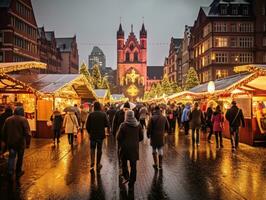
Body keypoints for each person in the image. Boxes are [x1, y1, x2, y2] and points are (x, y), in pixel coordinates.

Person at [117, 110, 143, 191]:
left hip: (124, 148)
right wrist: (135, 141)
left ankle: (126, 177)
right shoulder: (138, 125)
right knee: (133, 166)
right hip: (134, 148)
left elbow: (118, 137)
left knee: (124, 163)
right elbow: (141, 137)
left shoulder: (123, 125)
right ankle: (131, 183)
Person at [2, 106, 31, 178]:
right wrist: (28, 143)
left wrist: (5, 141)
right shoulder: (23, 119)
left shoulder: (8, 119)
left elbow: (4, 132)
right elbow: (28, 133)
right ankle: (18, 171)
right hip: (20, 142)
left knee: (11, 157)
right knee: (20, 158)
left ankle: (10, 171)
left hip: (11, 142)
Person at [86, 101, 109, 171]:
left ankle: (92, 164)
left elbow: (87, 126)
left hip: (93, 135)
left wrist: (90, 132)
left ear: (94, 107)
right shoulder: (103, 114)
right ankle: (98, 164)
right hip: (100, 135)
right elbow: (107, 124)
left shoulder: (91, 114)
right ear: (99, 106)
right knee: (99, 150)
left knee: (92, 149)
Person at [147, 106, 169, 170]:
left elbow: (149, 128)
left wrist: (148, 134)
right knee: (160, 149)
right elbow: (168, 126)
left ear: (155, 110)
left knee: (154, 149)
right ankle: (160, 164)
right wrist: (165, 132)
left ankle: (156, 164)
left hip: (153, 136)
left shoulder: (152, 118)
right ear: (160, 110)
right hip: (161, 136)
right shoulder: (164, 117)